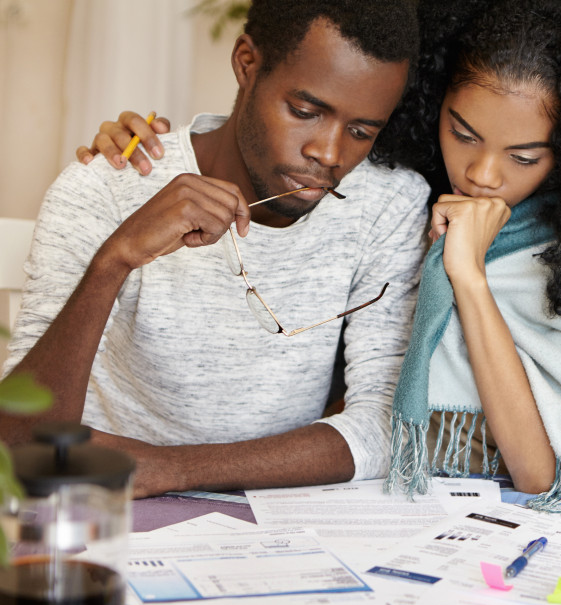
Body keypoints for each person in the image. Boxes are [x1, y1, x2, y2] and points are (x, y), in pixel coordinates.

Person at [77, 0, 561, 519]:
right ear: (430, 103)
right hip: (377, 505)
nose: (483, 174)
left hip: (523, 521)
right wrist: (159, 147)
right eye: (463, 132)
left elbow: (539, 475)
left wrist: (468, 277)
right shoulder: (399, 198)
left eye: (523, 156)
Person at [0, 0, 430, 499]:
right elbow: (17, 439)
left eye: (361, 132)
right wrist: (114, 260)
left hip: (275, 519)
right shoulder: (107, 186)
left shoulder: (387, 205)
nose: (329, 154)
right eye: (305, 112)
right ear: (247, 63)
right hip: (102, 505)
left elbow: (384, 428)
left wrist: (171, 469)